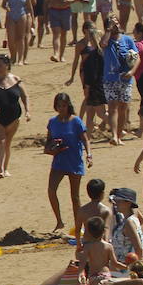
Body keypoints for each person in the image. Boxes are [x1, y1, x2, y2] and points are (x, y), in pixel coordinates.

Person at [45, 91, 88, 231]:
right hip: (59, 161)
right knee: (51, 190)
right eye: (58, 106)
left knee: (75, 196)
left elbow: (85, 139)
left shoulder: (76, 121)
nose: (61, 108)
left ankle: (78, 225)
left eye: (63, 105)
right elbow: (48, 142)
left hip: (74, 160)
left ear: (68, 105)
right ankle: (59, 221)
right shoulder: (52, 122)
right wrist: (52, 148)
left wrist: (89, 154)